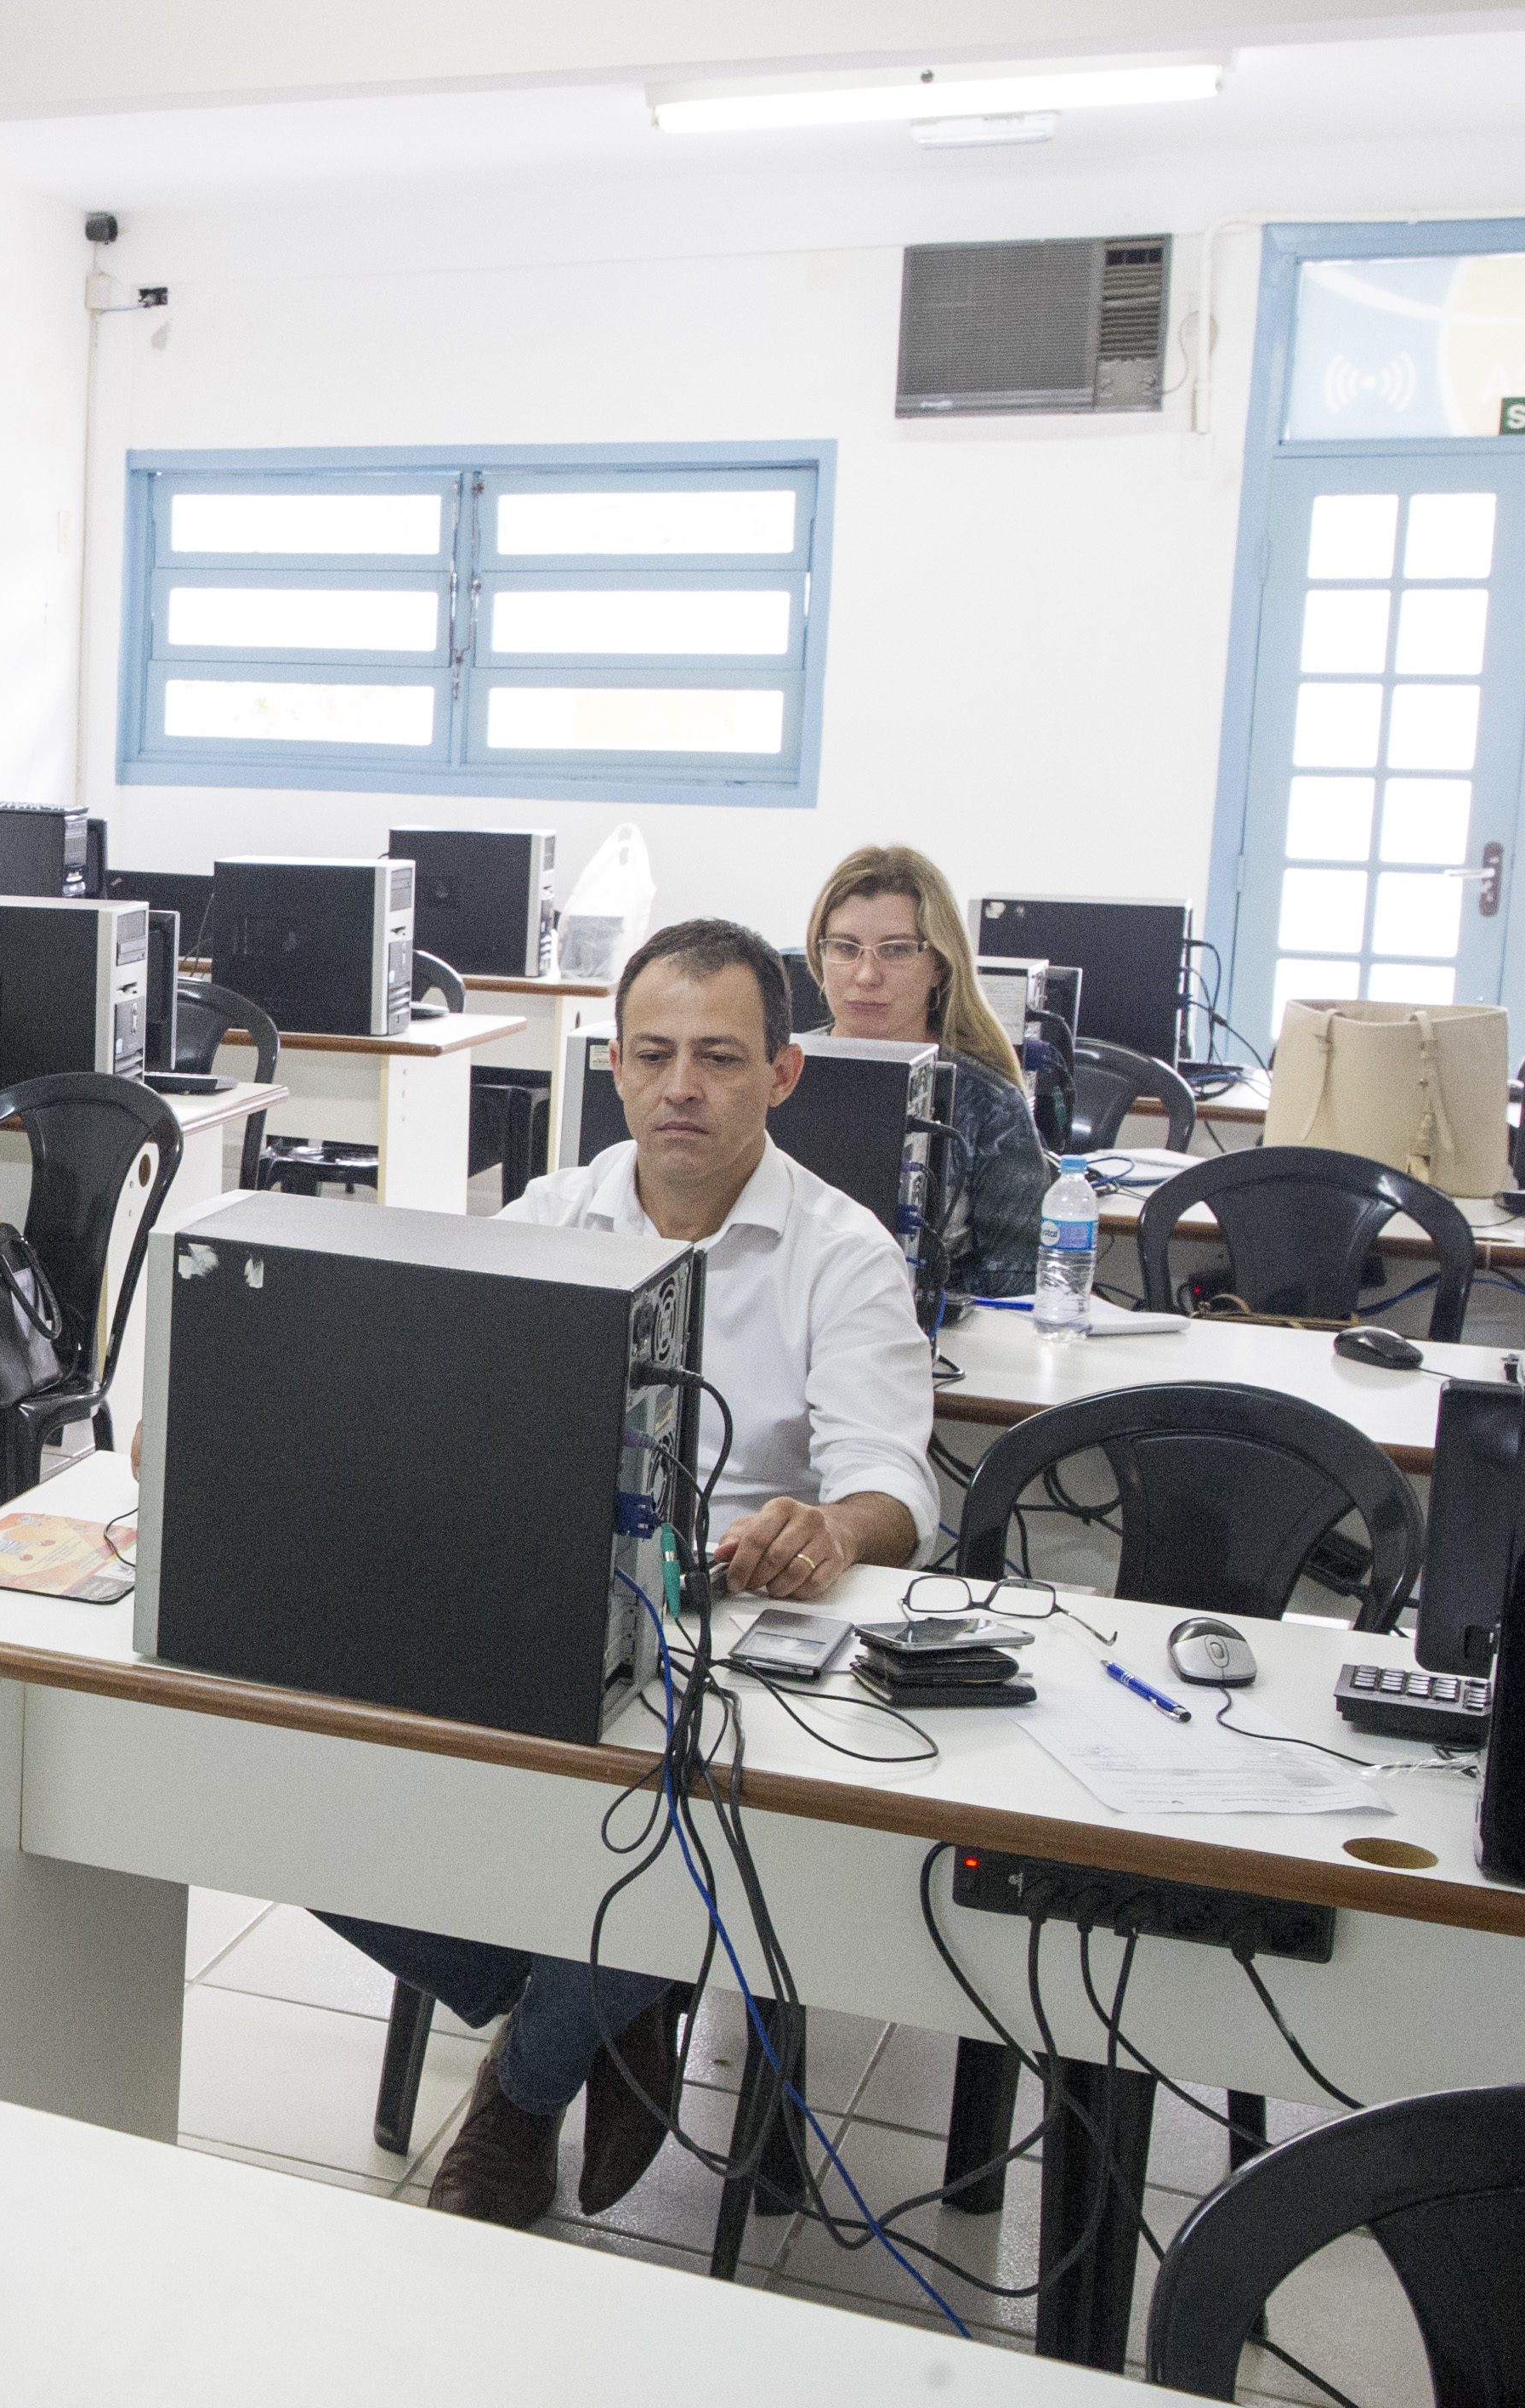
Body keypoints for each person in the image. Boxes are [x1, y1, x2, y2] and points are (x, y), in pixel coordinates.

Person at [319, 917, 936, 2229]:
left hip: (737, 1644)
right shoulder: (554, 1215)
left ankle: (526, 2089)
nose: (681, 1088)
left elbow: (893, 1484)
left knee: (697, 1808)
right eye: (652, 1055)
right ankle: (608, 1999)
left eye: (719, 1057)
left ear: (783, 1075)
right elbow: (443, 1413)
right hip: (545, 1618)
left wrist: (832, 1528)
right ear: (613, 1066)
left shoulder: (845, 1252)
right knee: (290, 1780)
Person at [805, 845, 1052, 1301]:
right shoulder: (773, 1076)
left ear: (938, 964)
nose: (865, 975)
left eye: (896, 951)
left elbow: (1020, 1281)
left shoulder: (989, 1104)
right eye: (844, 947)